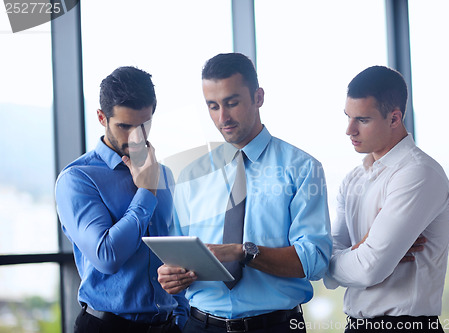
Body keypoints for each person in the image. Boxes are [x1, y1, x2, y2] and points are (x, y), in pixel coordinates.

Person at [157, 53, 332, 333]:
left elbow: (314, 261)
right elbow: (179, 257)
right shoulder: (191, 175)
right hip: (200, 325)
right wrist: (171, 276)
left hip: (275, 326)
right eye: (212, 106)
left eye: (232, 103)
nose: (222, 117)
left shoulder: (302, 168)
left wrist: (243, 252)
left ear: (258, 97)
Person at [55, 66, 189, 333]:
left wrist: (182, 317)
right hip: (107, 327)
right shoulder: (78, 179)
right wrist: (147, 191)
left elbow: (173, 251)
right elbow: (107, 256)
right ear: (102, 117)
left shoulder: (165, 175)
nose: (136, 136)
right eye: (124, 126)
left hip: (167, 325)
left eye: (143, 125)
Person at [323, 66, 449, 332]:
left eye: (362, 120)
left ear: (395, 118)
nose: (349, 130)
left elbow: (369, 269)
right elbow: (326, 259)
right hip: (355, 326)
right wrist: (360, 249)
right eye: (348, 117)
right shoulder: (352, 180)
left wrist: (342, 260)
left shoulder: (419, 173)